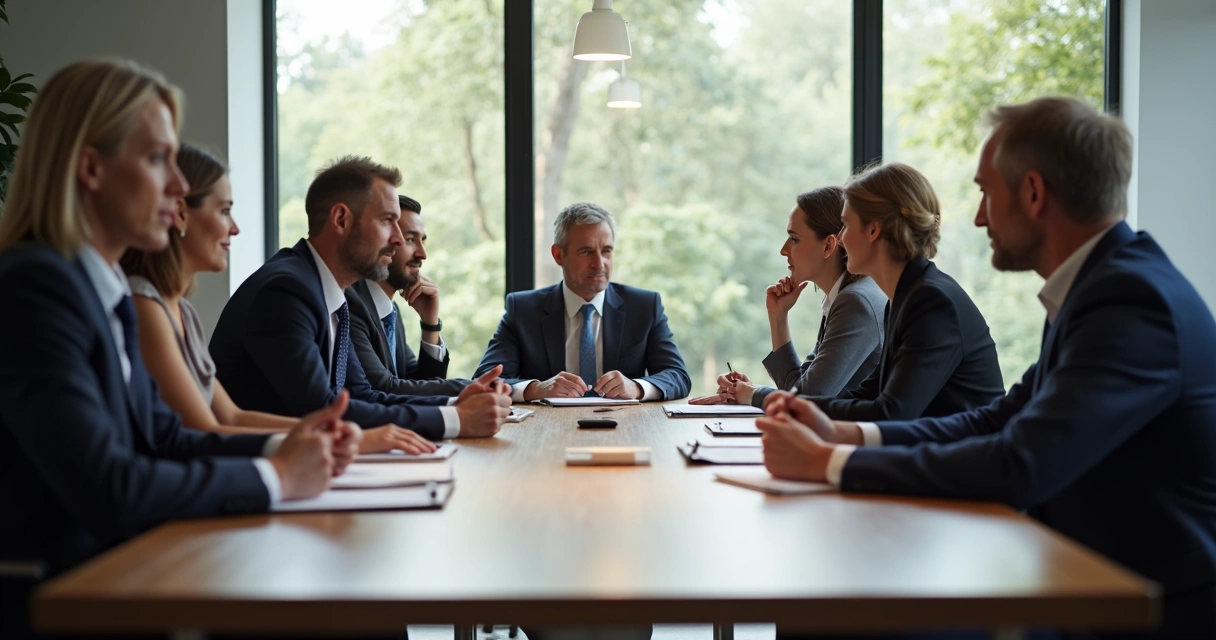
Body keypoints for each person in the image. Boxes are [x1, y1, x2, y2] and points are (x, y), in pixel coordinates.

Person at [759, 97, 1216, 638]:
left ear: (1032, 193)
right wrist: (843, 433)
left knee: (830, 615)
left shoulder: (1129, 299)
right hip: (1076, 572)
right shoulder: (1102, 284)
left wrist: (831, 464)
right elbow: (1000, 417)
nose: (978, 217)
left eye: (985, 193)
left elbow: (1021, 463)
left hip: (1134, 606)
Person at [0, 59, 358, 637]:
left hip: (131, 573)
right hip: (68, 600)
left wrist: (290, 445)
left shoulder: (103, 287)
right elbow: (110, 487)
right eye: (155, 158)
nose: (177, 187)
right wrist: (279, 477)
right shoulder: (36, 287)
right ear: (90, 168)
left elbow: (163, 436)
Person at [120, 145, 436, 454]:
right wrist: (348, 438)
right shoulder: (283, 291)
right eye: (225, 210)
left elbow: (231, 417)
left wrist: (338, 434)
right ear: (179, 214)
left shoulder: (182, 311)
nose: (235, 228)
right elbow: (206, 430)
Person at [209, 155, 510, 441]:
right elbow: (325, 410)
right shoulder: (286, 292)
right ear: (340, 220)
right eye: (386, 221)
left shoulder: (328, 290)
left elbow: (363, 396)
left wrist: (455, 402)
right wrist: (457, 418)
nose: (396, 237)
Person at [775, 162, 1004, 421]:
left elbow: (891, 412)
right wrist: (789, 407)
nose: (841, 239)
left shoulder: (931, 301)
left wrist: (776, 403)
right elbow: (866, 395)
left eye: (846, 226)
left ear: (873, 230)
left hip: (961, 458)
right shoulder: (903, 298)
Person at [474, 202, 691, 401]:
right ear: (559, 255)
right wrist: (537, 389)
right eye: (586, 252)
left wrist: (636, 387)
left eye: (606, 251)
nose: (600, 263)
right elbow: (485, 381)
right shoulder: (522, 310)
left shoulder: (644, 306)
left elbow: (677, 376)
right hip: (546, 432)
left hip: (625, 431)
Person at [698, 187, 885, 408]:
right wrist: (778, 316)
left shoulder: (856, 302)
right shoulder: (844, 296)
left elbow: (807, 400)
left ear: (828, 245)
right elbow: (797, 389)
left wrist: (752, 394)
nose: (783, 250)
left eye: (794, 239)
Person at [346, 194, 470, 396]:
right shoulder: (351, 304)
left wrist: (430, 325)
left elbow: (421, 387)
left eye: (422, 241)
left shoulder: (389, 310)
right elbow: (385, 388)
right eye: (410, 239)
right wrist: (497, 387)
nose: (422, 254)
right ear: (383, 241)